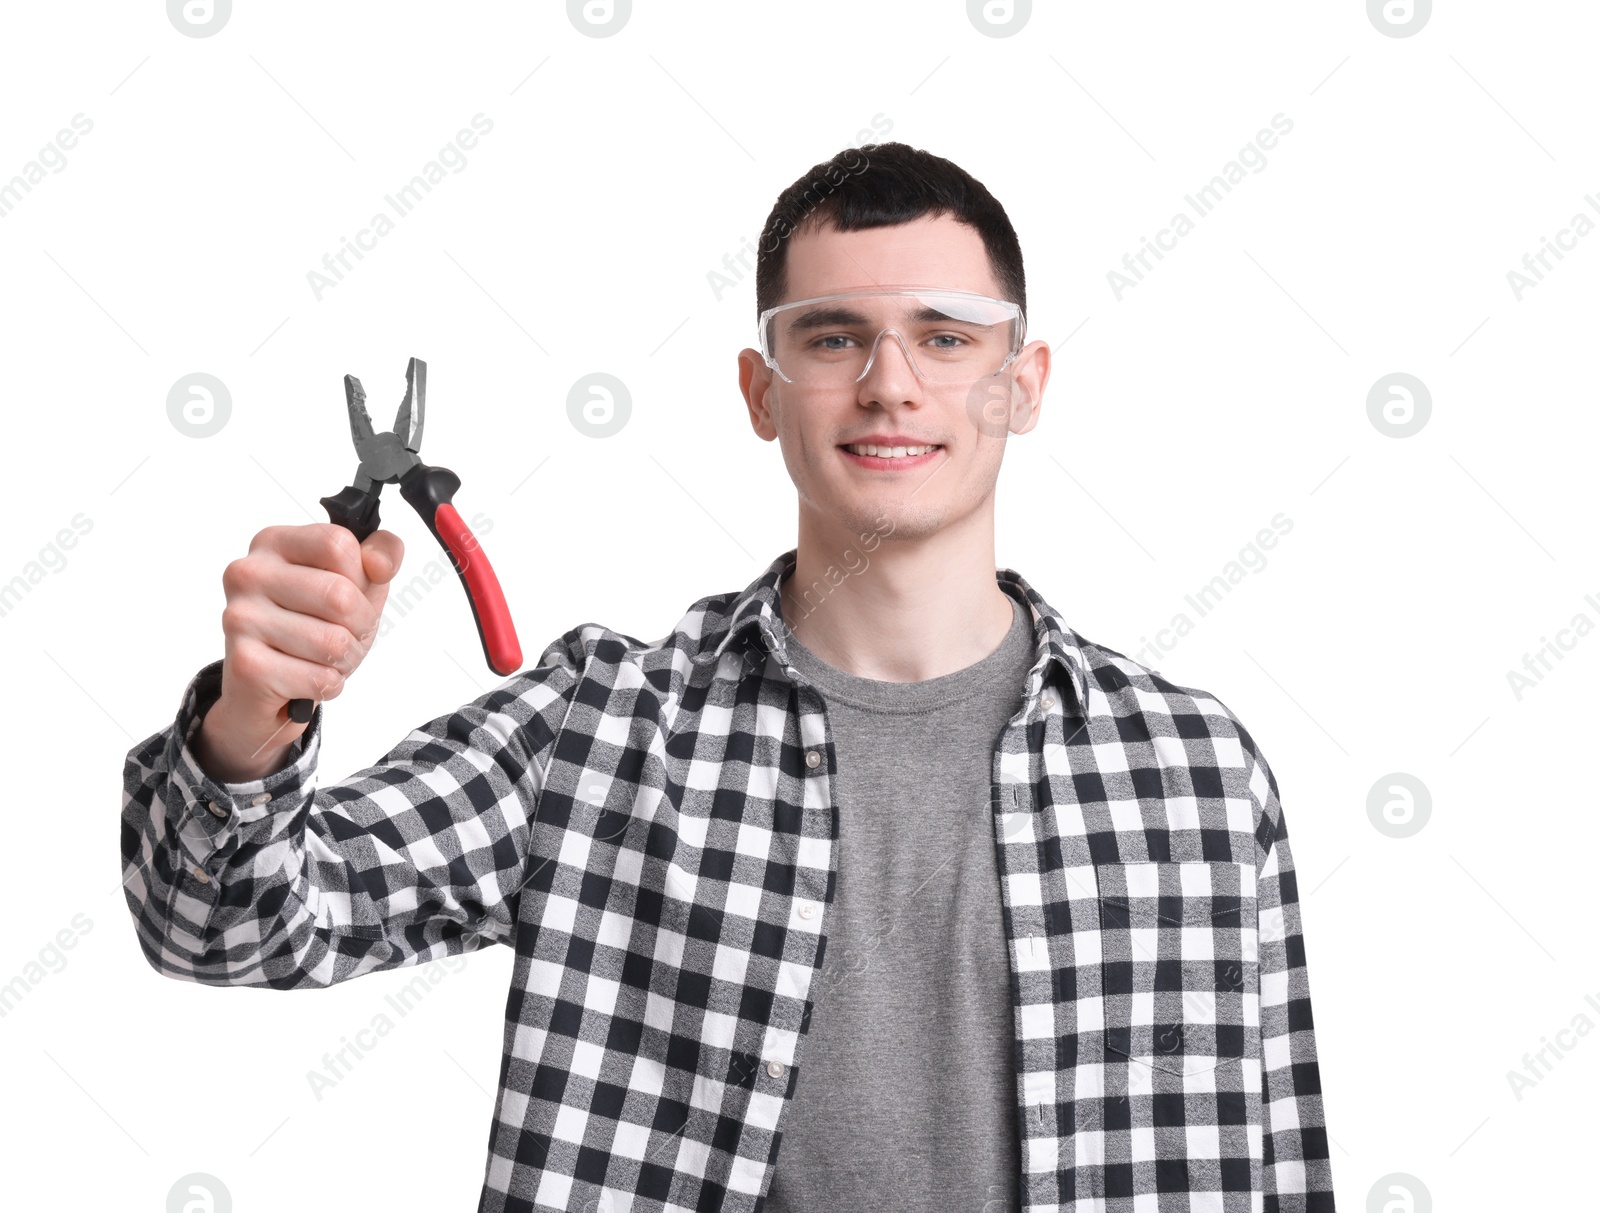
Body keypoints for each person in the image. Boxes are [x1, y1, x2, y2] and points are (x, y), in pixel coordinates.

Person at [121, 141, 1334, 1213]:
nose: (891, 383)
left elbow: (1286, 1165)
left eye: (946, 336)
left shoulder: (1194, 772)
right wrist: (252, 717)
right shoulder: (594, 732)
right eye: (833, 337)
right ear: (763, 392)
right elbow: (219, 927)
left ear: (1020, 384)